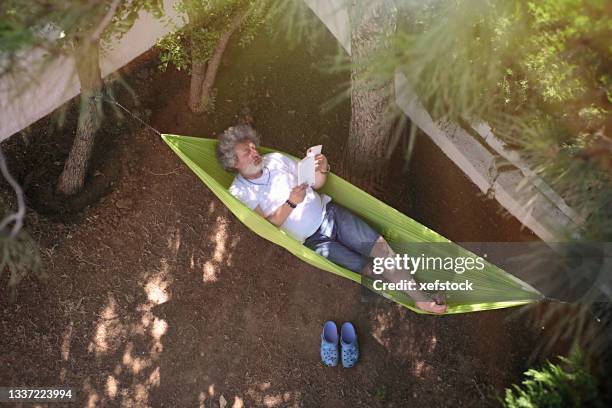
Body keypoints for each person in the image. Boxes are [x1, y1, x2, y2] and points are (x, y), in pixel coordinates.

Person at [216, 125, 447, 314]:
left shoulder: (275, 159)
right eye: (246, 152)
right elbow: (266, 226)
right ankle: (410, 291)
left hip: (331, 215)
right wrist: (291, 203)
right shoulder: (240, 191)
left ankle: (421, 298)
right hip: (313, 242)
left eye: (253, 147)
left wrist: (322, 168)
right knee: (366, 268)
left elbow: (314, 183)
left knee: (380, 248)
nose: (254, 152)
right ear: (234, 163)